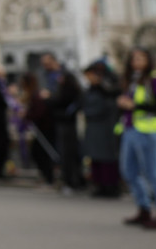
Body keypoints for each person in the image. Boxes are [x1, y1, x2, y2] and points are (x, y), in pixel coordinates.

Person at [117, 48, 156, 230]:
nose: (136, 62)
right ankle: (144, 208)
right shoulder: (132, 79)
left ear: (148, 60)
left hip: (149, 130)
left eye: (141, 58)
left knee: (153, 171)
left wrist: (134, 105)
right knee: (129, 170)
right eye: (134, 58)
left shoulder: (155, 78)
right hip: (130, 128)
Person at [41, 53, 84, 194]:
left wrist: (49, 98)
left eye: (47, 63)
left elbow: (66, 98)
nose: (45, 66)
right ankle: (70, 180)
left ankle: (72, 182)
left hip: (66, 120)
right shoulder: (48, 76)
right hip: (57, 119)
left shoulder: (66, 76)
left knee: (68, 152)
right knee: (63, 151)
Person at [80, 61, 121, 198]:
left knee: (107, 158)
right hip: (94, 127)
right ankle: (99, 185)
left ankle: (110, 186)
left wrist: (91, 112)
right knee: (95, 157)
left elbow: (108, 106)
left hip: (106, 127)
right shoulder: (91, 89)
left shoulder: (107, 88)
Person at [20, 73, 55, 186]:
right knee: (39, 153)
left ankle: (48, 177)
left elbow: (38, 113)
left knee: (41, 153)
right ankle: (46, 176)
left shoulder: (36, 95)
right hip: (43, 127)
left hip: (45, 128)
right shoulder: (35, 94)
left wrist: (27, 115)